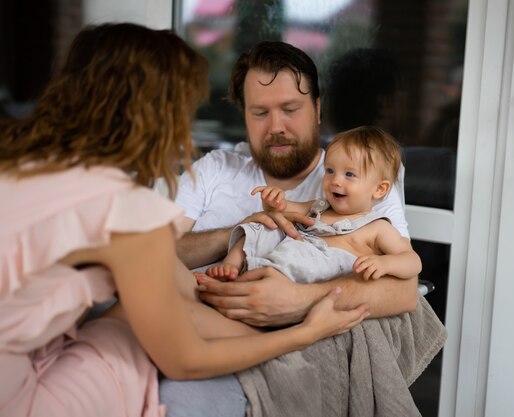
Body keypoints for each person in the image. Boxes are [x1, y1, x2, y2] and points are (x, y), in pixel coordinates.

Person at [0, 23, 371, 417]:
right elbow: (184, 360)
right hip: (19, 398)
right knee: (128, 338)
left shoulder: (22, 167)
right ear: (152, 114)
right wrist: (305, 334)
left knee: (126, 315)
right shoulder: (120, 207)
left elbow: (176, 280)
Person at [168, 40, 421, 417]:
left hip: (268, 351)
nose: (276, 127)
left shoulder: (357, 179)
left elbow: (404, 292)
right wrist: (237, 231)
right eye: (259, 113)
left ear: (317, 109)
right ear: (244, 115)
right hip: (186, 319)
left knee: (176, 398)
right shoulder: (214, 169)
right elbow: (154, 252)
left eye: (290, 109)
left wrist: (298, 302)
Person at [206, 126, 422, 283]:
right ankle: (231, 265)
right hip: (286, 255)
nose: (335, 180)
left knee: (301, 258)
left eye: (349, 174)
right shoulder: (319, 206)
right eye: (330, 171)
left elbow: (412, 261)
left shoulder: (378, 228)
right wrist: (273, 202)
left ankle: (257, 280)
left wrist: (385, 265)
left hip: (311, 273)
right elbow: (281, 211)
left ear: (380, 189)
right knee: (263, 226)